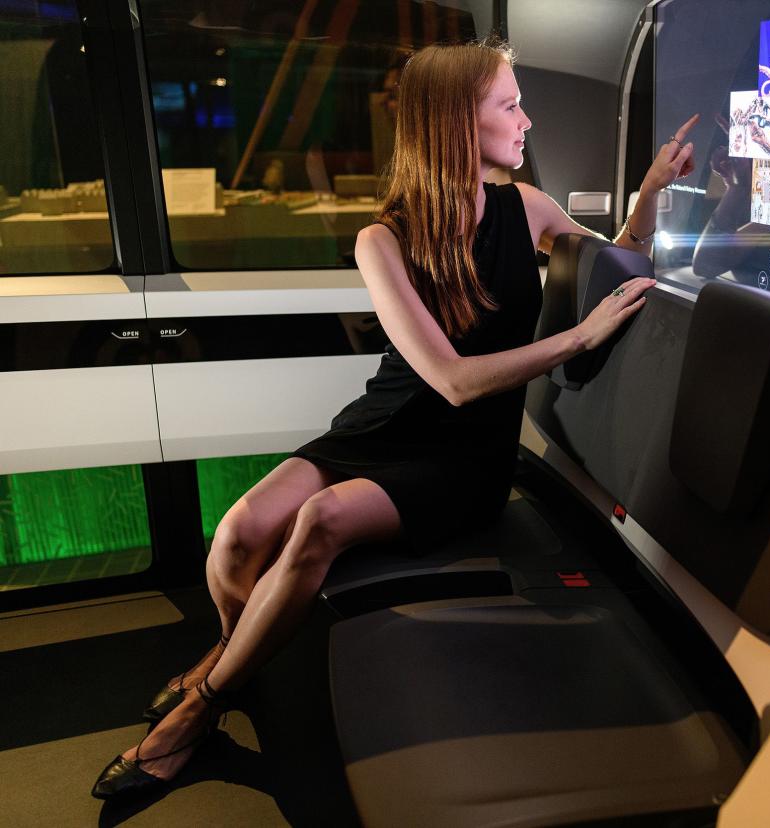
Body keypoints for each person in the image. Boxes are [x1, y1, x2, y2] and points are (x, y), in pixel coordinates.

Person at [91, 37, 698, 799]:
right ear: (454, 123)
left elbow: (616, 262)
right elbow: (447, 379)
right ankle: (231, 657)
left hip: (462, 461)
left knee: (318, 522)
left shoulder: (527, 208)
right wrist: (572, 338)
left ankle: (199, 709)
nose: (527, 120)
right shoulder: (383, 239)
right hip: (384, 426)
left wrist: (648, 193)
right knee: (239, 532)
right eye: (509, 106)